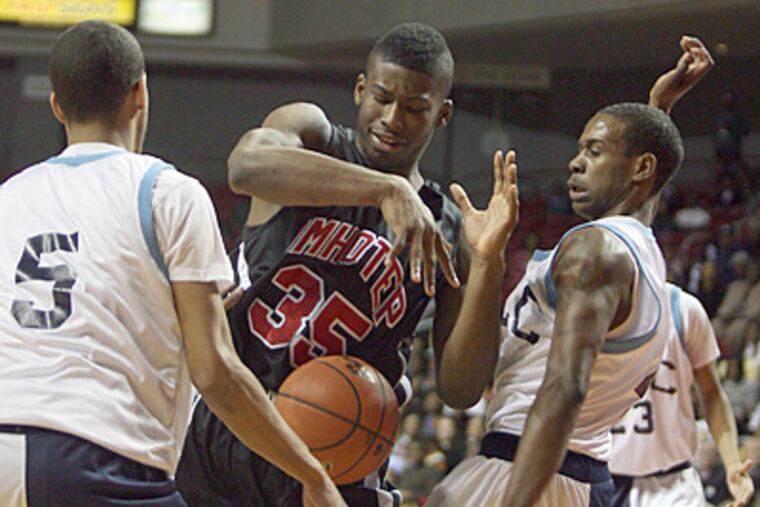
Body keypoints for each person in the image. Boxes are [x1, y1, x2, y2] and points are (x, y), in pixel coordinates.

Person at [176, 22, 522, 507]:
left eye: (415, 108)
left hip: (345, 448)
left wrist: (487, 263)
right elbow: (245, 167)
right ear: (361, 89)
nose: (393, 118)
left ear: (441, 115)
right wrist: (385, 188)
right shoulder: (312, 134)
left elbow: (459, 388)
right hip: (236, 418)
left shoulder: (445, 225)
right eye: (382, 97)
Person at [0, 20, 344, 507]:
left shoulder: (9, 197)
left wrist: (173, 318)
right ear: (141, 93)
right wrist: (312, 474)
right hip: (93, 454)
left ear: (57, 105)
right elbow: (216, 374)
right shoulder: (166, 192)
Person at [427, 36, 714, 507]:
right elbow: (645, 187)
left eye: (595, 151)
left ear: (641, 168)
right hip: (583, 476)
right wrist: (658, 109)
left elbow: (565, 387)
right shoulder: (640, 251)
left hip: (525, 469)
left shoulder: (594, 250)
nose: (576, 162)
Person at [609, 283, 754, 507]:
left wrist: (733, 463)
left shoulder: (683, 308)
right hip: (603, 481)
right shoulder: (584, 310)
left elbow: (712, 394)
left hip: (672, 484)